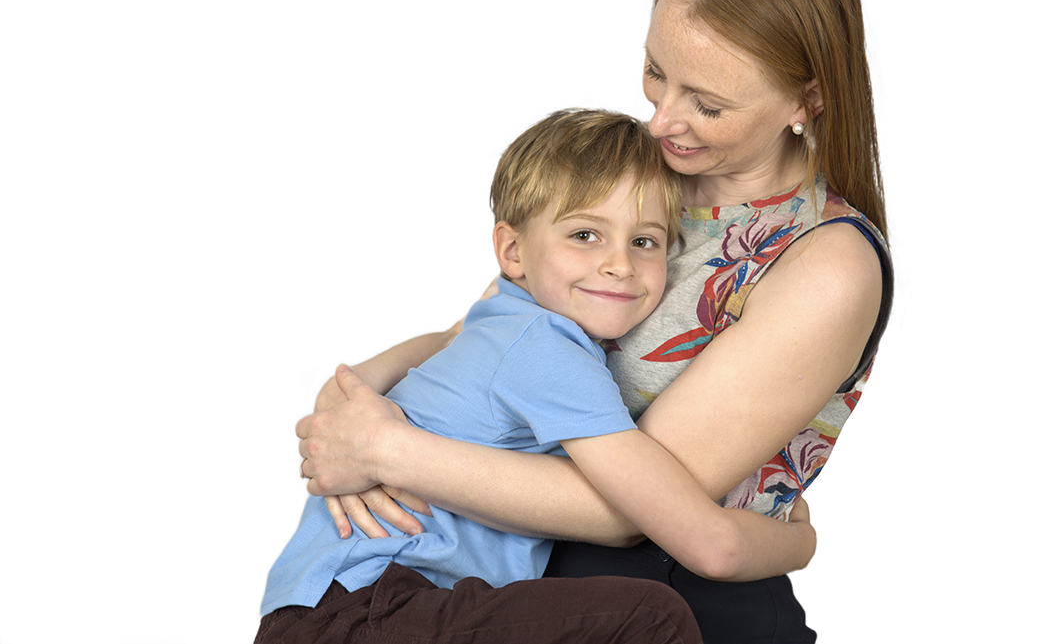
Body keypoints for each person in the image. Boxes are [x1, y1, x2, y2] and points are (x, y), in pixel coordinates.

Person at [299, 0, 894, 644]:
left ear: (808, 99)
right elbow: (488, 331)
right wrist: (351, 396)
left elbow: (628, 510)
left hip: (677, 610)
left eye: (707, 104)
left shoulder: (825, 263)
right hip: (513, 593)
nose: (661, 121)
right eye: (656, 72)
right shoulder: (640, 175)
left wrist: (390, 451)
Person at [262, 109, 818, 644]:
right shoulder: (545, 349)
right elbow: (711, 545)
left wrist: (350, 386)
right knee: (651, 620)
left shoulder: (505, 321)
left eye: (644, 241)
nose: (620, 264)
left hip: (358, 606)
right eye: (585, 235)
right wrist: (798, 542)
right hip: (362, 611)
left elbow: (447, 338)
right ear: (512, 250)